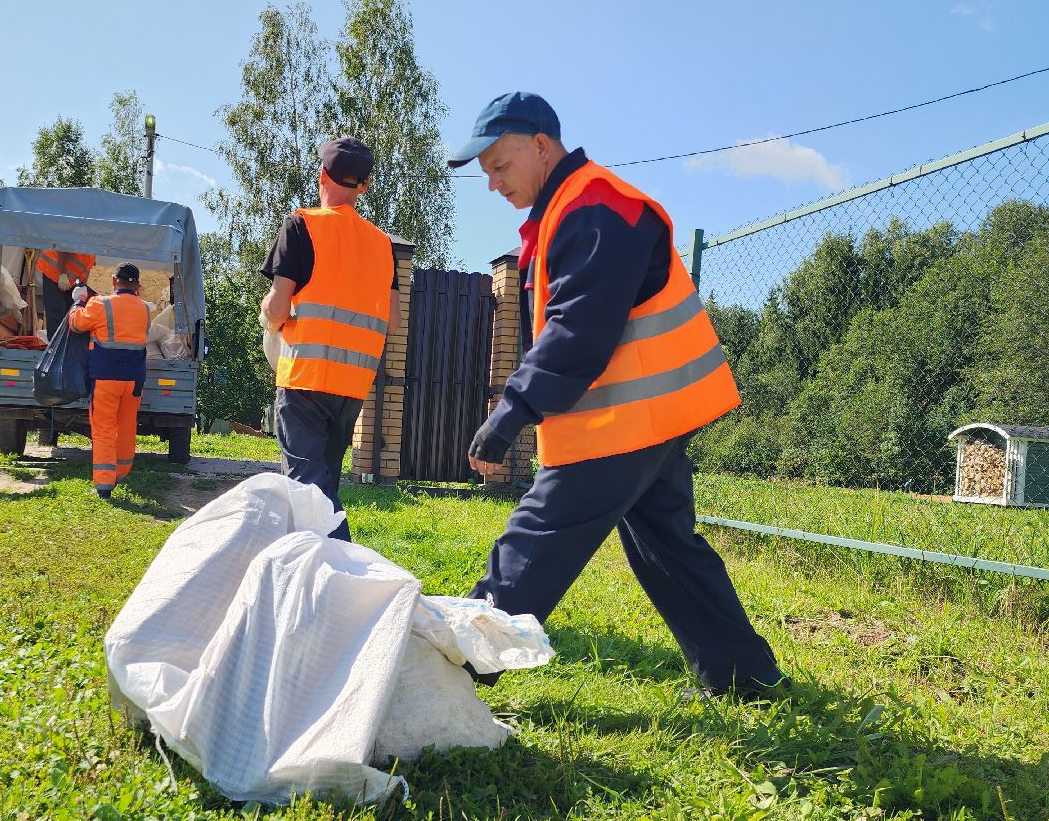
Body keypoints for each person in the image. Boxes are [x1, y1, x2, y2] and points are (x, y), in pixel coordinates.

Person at [449, 92, 787, 699]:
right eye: (487, 174)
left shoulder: (597, 206)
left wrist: (514, 410)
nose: (494, 183)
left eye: (500, 166)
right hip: (646, 417)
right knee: (670, 550)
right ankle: (745, 677)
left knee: (535, 543)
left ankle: (448, 677)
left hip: (619, 423)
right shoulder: (574, 208)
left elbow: (579, 327)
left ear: (541, 146)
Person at [259, 137, 401, 541]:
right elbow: (392, 322)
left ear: (322, 174)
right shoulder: (382, 245)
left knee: (308, 491)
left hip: (306, 377)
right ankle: (311, 571)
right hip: (352, 386)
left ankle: (345, 573)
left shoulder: (302, 225)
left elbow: (277, 307)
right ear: (364, 187)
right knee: (323, 485)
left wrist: (271, 313)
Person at [68, 263, 148, 500]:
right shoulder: (145, 309)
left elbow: (76, 324)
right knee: (126, 426)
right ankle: (121, 473)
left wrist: (79, 301)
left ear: (114, 281)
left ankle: (104, 485)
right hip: (134, 381)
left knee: (103, 429)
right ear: (139, 286)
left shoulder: (100, 304)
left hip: (106, 378)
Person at [36, 250, 96, 332]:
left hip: (70, 280)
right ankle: (56, 343)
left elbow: (88, 266)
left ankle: (63, 342)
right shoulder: (85, 239)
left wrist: (83, 284)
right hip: (54, 272)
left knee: (68, 313)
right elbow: (64, 250)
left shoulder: (95, 245)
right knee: (56, 312)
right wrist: (62, 274)